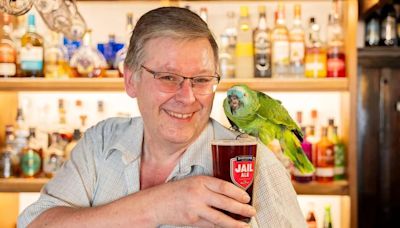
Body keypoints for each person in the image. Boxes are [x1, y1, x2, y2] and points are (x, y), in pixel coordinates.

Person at [18, 7, 306, 228]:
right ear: (130, 80)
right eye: (168, 77)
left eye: (202, 80)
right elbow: (35, 223)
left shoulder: (253, 162)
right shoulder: (101, 142)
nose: (188, 96)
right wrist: (159, 204)